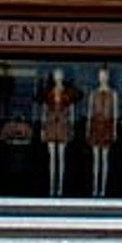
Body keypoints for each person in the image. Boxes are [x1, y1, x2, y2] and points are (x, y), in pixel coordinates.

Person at [41, 68, 78, 196]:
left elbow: (72, 110)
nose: (58, 76)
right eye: (56, 74)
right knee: (52, 159)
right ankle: (51, 186)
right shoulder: (49, 93)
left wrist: (72, 127)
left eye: (60, 74)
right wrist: (43, 127)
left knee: (61, 158)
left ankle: (60, 187)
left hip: (63, 124)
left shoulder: (67, 93)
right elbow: (44, 111)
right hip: (51, 124)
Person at [87, 66, 119, 197]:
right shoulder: (93, 93)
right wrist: (88, 128)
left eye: (104, 75)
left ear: (108, 76)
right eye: (101, 75)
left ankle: (103, 189)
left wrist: (115, 130)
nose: (102, 77)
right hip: (96, 125)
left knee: (105, 159)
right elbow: (90, 113)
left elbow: (115, 114)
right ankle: (95, 187)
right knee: (96, 160)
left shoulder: (113, 94)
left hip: (107, 126)